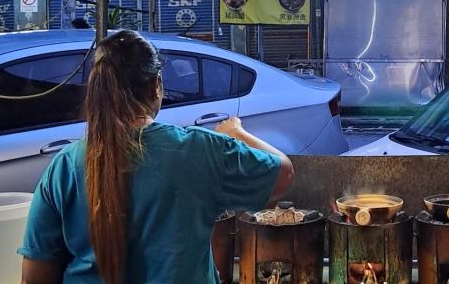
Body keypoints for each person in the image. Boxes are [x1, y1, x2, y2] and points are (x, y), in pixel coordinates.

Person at [19, 30, 293, 284]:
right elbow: (283, 173)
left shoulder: (63, 167)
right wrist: (237, 132)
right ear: (156, 86)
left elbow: (35, 276)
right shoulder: (199, 150)